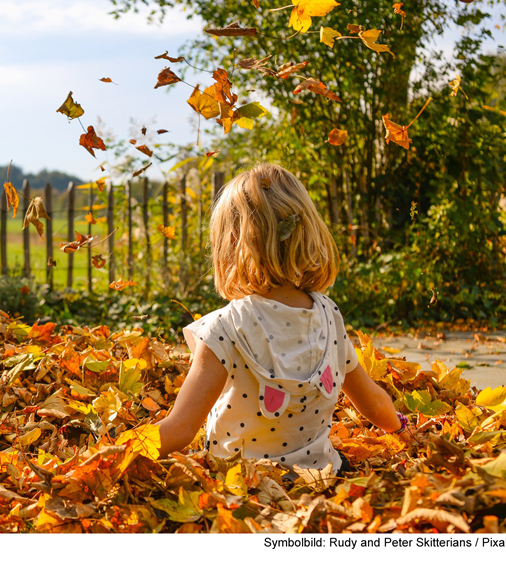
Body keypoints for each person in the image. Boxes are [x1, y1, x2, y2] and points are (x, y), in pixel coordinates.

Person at [156, 163, 406, 474]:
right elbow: (373, 402)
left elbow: (180, 429)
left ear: (233, 242)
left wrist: (115, 451)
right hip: (322, 476)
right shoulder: (329, 315)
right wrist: (401, 430)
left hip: (243, 486)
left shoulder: (225, 328)